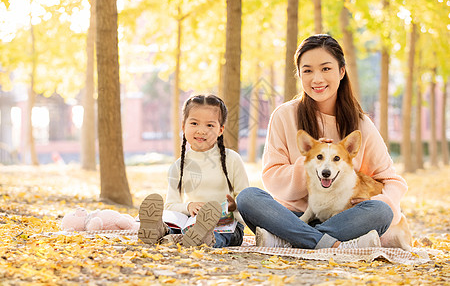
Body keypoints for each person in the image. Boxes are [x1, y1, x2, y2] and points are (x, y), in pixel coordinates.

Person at [236, 34, 408, 249]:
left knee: (381, 211)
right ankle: (328, 242)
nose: (316, 79)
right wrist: (309, 162)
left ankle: (291, 240)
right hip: (292, 216)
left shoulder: (361, 124)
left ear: (341, 71)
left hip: (343, 218)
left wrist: (382, 202)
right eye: (307, 70)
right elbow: (272, 178)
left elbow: (392, 180)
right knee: (248, 197)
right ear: (299, 74)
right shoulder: (284, 115)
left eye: (326, 69)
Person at [138, 94, 249, 248]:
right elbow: (171, 205)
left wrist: (232, 206)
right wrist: (188, 206)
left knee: (217, 235)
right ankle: (159, 230)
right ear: (183, 126)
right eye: (195, 123)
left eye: (210, 125)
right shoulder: (178, 166)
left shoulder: (232, 159)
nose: (201, 130)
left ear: (220, 130)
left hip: (228, 226)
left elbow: (246, 200)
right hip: (192, 222)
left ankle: (202, 239)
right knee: (178, 229)